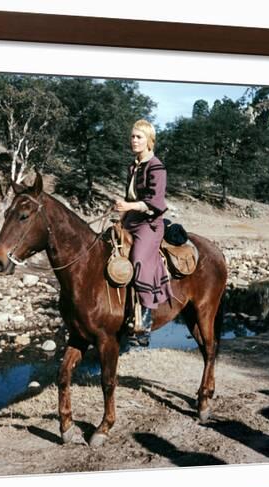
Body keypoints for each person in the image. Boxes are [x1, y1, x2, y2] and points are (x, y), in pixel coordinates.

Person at [114, 119, 171, 346]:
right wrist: (121, 213)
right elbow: (130, 197)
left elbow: (155, 201)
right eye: (132, 136)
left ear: (149, 140)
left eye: (139, 137)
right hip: (130, 219)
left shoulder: (156, 166)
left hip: (150, 223)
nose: (134, 140)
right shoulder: (133, 166)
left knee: (139, 259)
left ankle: (145, 322)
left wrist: (128, 206)